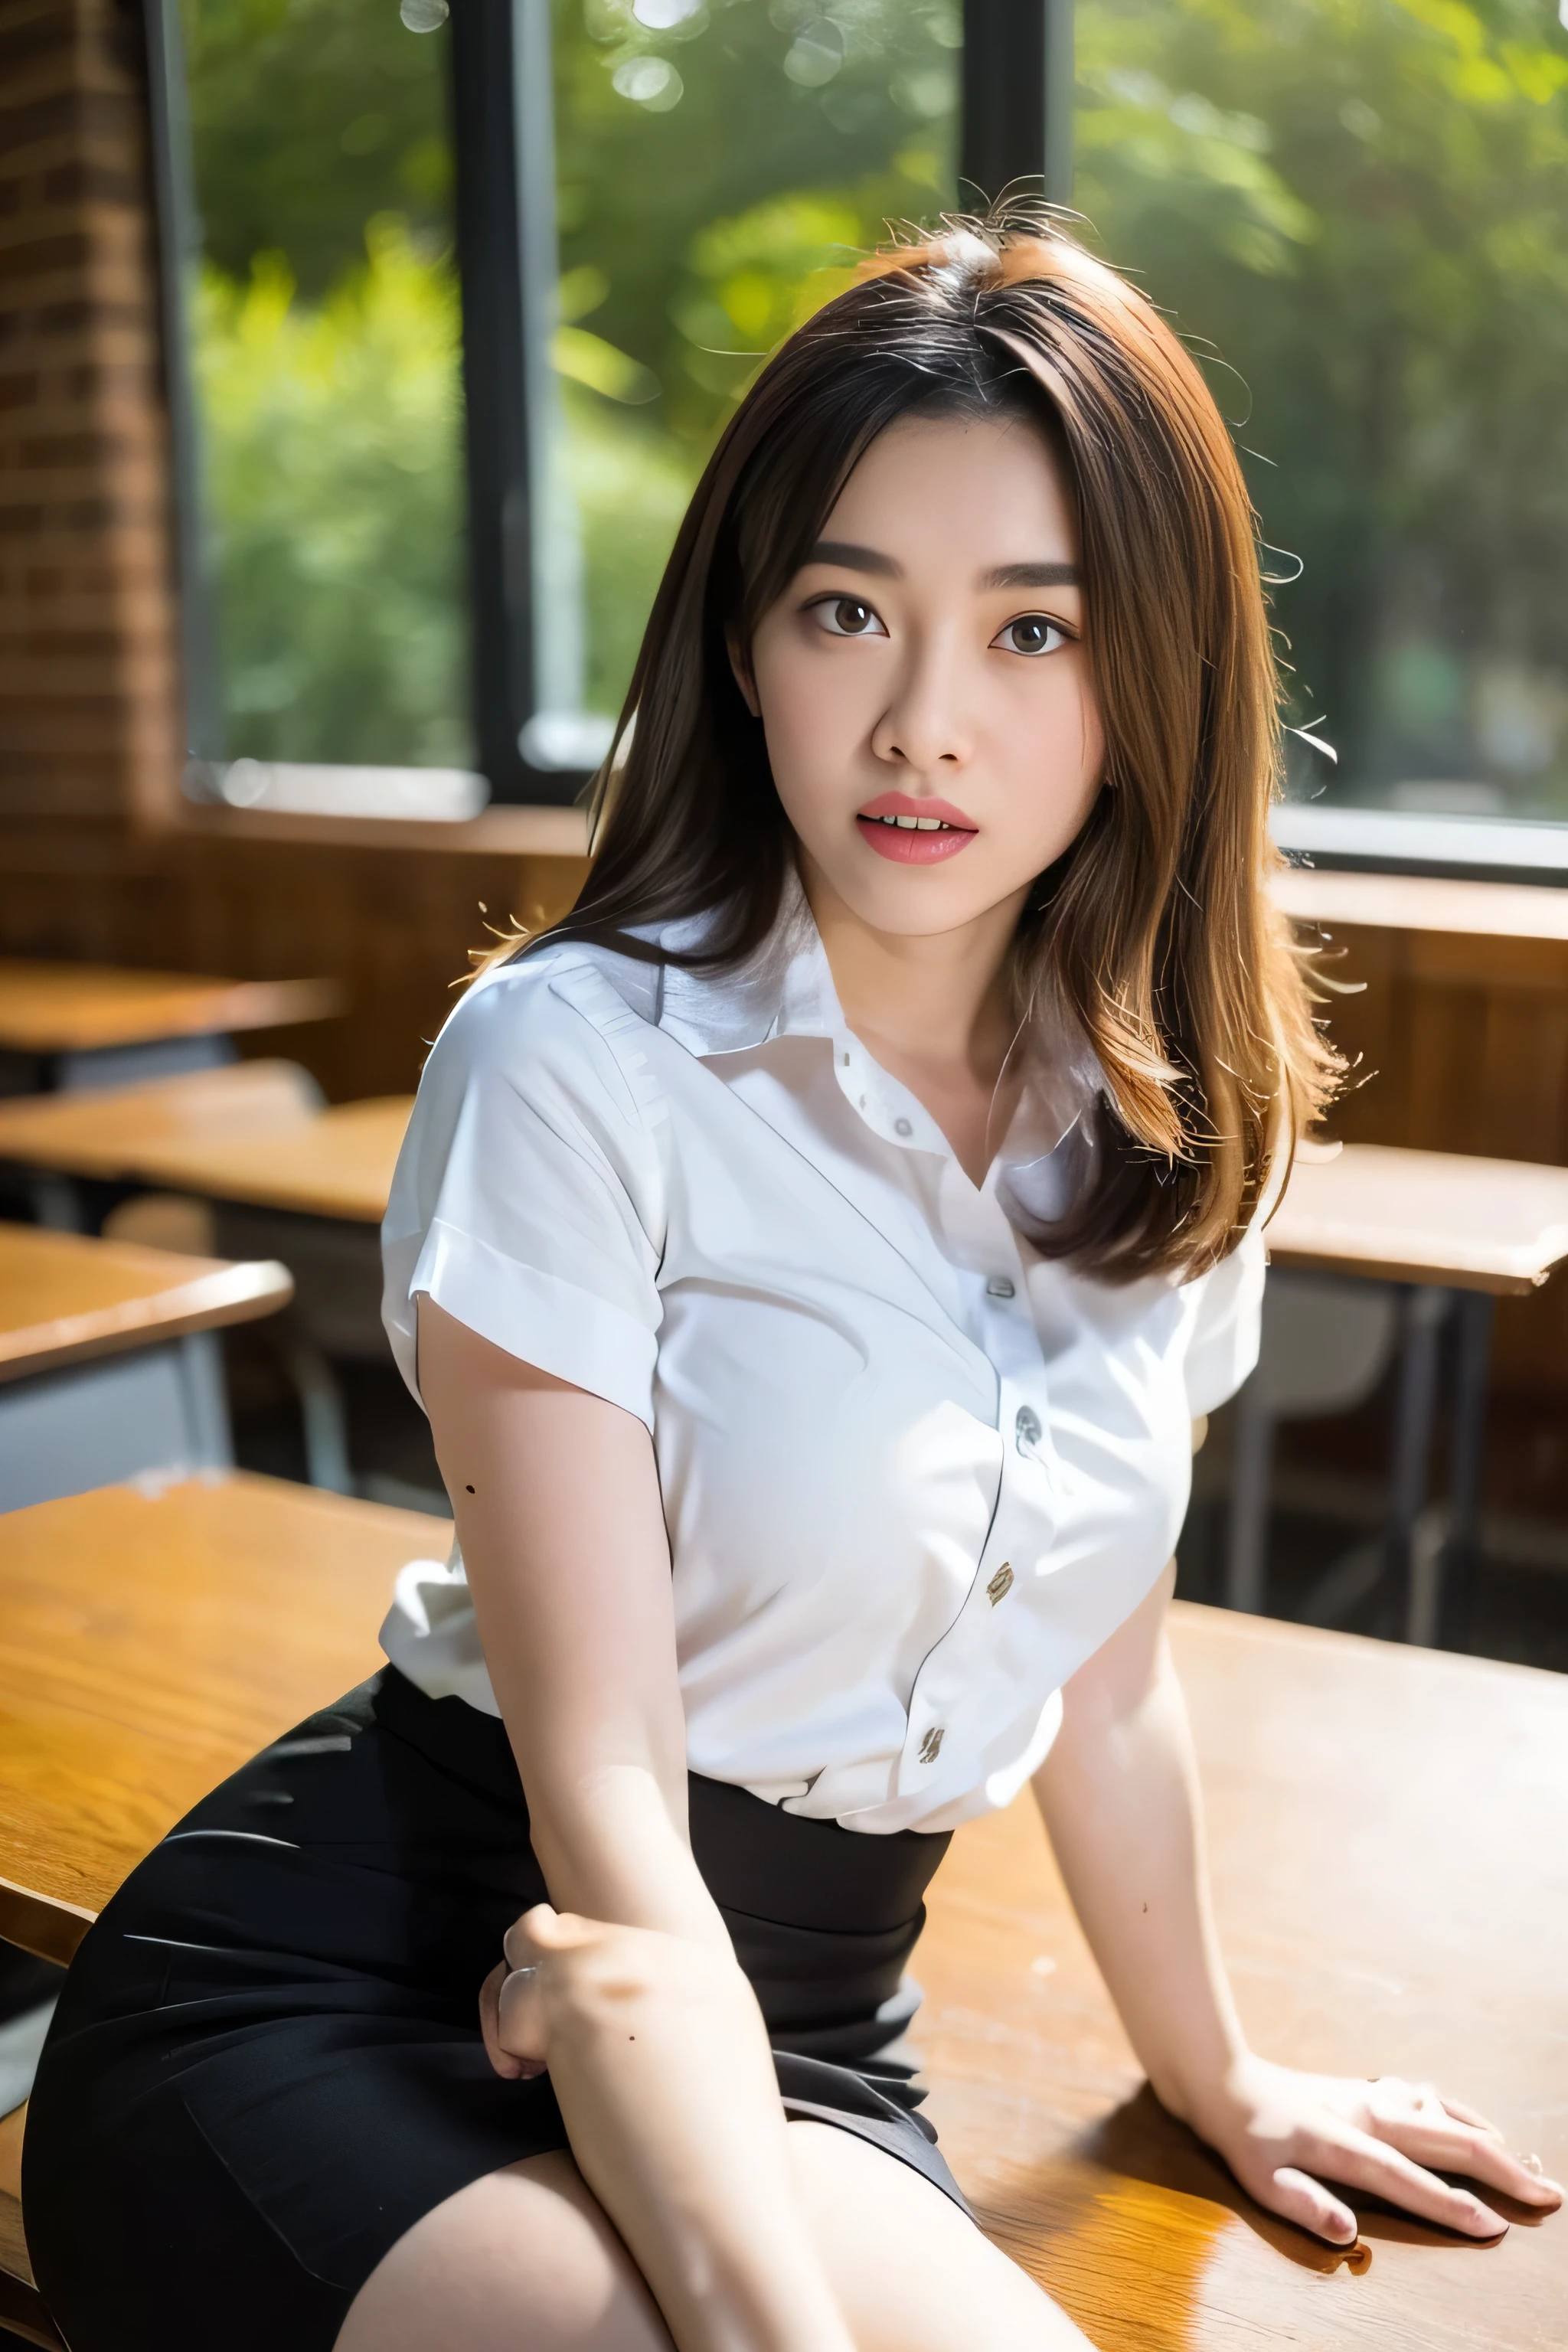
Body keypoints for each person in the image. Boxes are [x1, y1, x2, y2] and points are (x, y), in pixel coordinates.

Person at [23, 208, 1559, 2352]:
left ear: (1161, 678)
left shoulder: (1179, 1125)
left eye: (1037, 633)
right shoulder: (574, 1064)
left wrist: (1218, 2073)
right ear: (746, 645)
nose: (926, 721)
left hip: (801, 2023)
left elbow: (1112, 1691)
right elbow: (610, 1804)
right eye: (852, 609)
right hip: (393, 1975)